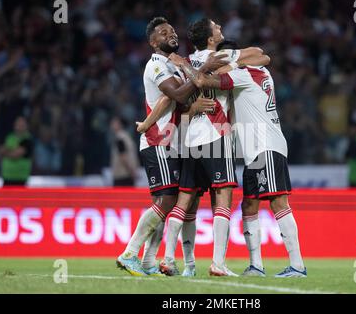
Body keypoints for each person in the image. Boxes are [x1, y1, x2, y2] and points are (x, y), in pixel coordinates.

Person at [169, 39, 307, 277]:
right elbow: (263, 55)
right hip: (253, 151)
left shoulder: (243, 75)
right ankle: (256, 266)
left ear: (230, 60)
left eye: (220, 62)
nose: (218, 67)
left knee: (278, 202)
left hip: (267, 146)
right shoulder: (255, 71)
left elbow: (201, 81)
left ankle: (297, 265)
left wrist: (184, 63)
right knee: (248, 205)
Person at [116, 17, 227, 277]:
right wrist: (202, 75)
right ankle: (129, 253)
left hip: (175, 141)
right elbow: (176, 95)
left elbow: (179, 102)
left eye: (173, 31)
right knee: (166, 200)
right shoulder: (156, 65)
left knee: (170, 202)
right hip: (159, 141)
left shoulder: (175, 66)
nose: (171, 35)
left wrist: (192, 102)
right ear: (153, 42)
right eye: (164, 33)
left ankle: (148, 261)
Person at [159, 18, 270, 277]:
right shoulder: (221, 56)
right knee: (223, 199)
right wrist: (239, 60)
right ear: (210, 39)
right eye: (217, 28)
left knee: (184, 201)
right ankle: (218, 263)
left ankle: (168, 259)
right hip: (216, 135)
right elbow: (261, 55)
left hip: (189, 138)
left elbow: (179, 98)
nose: (221, 28)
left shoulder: (187, 61)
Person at [0, 116, 33, 187]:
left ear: (26, 126)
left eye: (22, 125)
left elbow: (15, 155)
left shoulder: (27, 139)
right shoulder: (9, 137)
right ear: (14, 125)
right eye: (18, 125)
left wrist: (7, 151)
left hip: (20, 178)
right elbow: (0, 151)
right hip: (6, 177)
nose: (20, 127)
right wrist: (10, 151)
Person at [110, 117, 139, 186]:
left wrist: (132, 172)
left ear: (120, 125)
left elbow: (123, 156)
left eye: (114, 123)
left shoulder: (120, 138)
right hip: (127, 174)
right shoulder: (126, 136)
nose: (112, 125)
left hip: (122, 175)